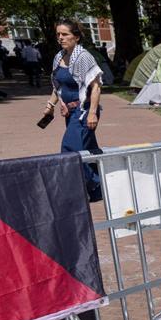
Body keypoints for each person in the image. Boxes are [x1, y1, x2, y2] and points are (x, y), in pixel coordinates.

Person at [43, 19, 105, 202]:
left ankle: (85, 185)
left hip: (84, 111)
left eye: (65, 34)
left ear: (76, 37)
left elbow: (96, 86)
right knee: (88, 151)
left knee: (70, 149)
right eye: (58, 35)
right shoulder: (58, 57)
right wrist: (50, 105)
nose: (60, 38)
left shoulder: (83, 57)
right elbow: (58, 87)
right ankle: (97, 189)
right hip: (69, 113)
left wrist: (93, 113)